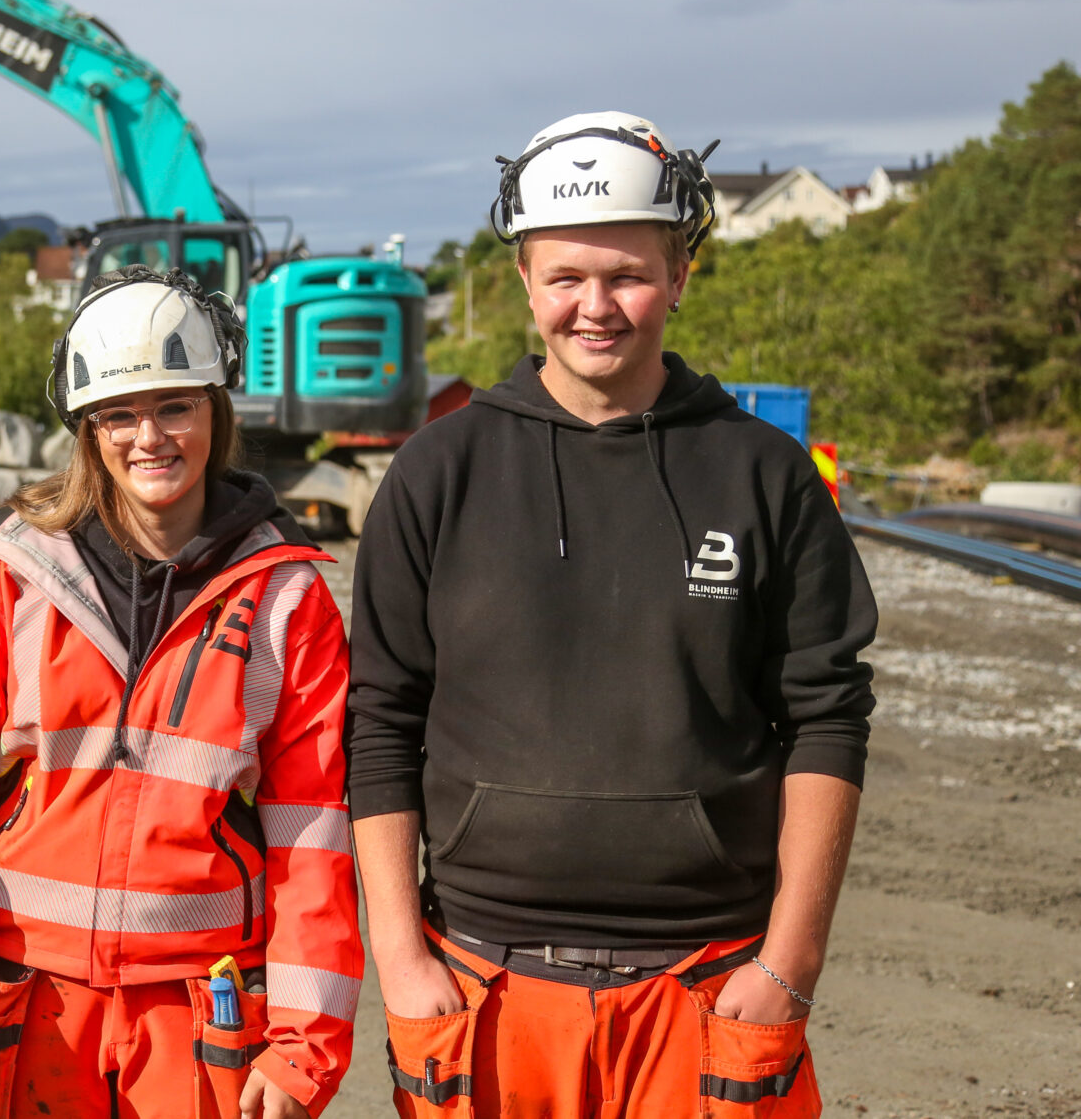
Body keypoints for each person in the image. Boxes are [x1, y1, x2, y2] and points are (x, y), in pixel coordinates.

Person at [348, 112, 878, 1117]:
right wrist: (402, 960)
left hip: (706, 988)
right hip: (482, 989)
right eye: (565, 277)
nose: (596, 306)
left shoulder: (765, 475)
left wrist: (790, 964)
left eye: (627, 274)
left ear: (680, 272)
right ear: (524, 280)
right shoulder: (437, 473)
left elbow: (827, 717)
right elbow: (380, 722)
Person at [0, 267, 362, 1119]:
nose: (150, 436)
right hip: (27, 1010)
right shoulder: (6, 580)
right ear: (86, 429)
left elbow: (314, 841)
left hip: (201, 1017)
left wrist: (303, 1049)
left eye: (175, 405)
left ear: (215, 410)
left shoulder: (286, 599)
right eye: (118, 414)